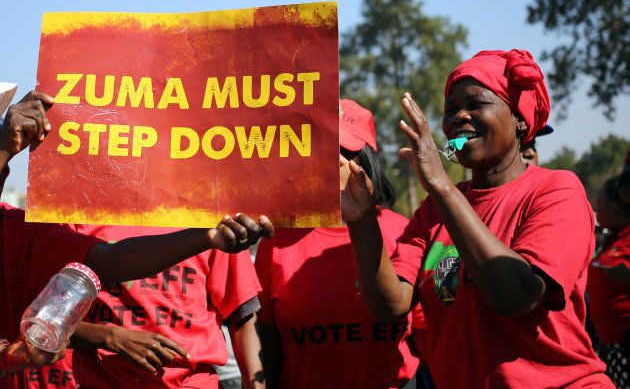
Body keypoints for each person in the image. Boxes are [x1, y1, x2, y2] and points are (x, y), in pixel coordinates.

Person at [343, 50, 614, 387]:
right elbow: (392, 304)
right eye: (451, 110)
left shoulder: (556, 191)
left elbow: (517, 296)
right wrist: (362, 219)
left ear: (520, 120)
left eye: (476, 103)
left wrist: (441, 185)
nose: (459, 117)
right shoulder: (432, 211)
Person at [0, 91, 274, 388]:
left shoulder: (206, 217)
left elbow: (242, 313)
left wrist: (206, 236)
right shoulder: (75, 217)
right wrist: (110, 338)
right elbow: (49, 318)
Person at [255, 99, 420, 388]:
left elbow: (425, 335)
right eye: (323, 150)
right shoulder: (277, 241)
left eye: (346, 151)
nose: (335, 163)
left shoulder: (402, 231)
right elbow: (266, 342)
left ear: (367, 160)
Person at [68, 224, 264, 389]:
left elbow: (242, 314)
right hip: (104, 382)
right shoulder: (83, 211)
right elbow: (45, 320)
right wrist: (110, 338)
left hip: (192, 383)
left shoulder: (210, 216)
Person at [588, 173, 630, 387]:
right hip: (611, 344)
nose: (597, 207)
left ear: (618, 206)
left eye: (600, 202)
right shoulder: (609, 241)